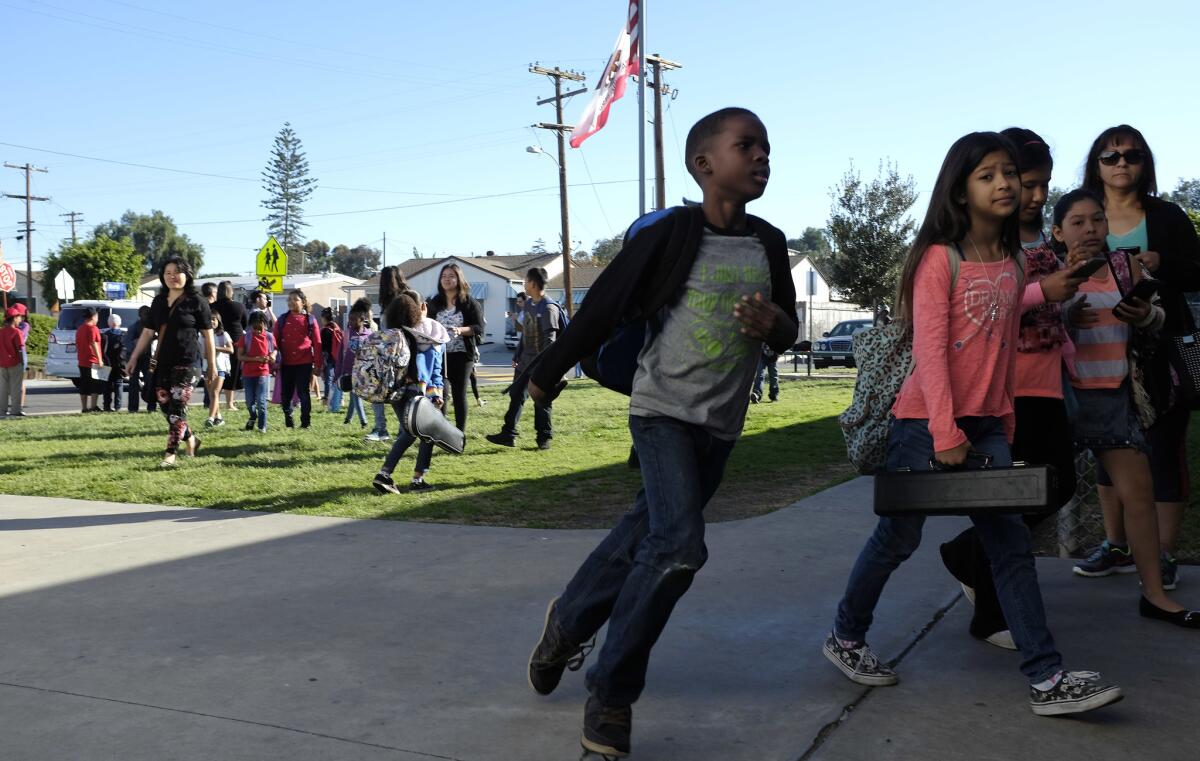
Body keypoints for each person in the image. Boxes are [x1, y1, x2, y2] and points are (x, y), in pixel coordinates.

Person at [524, 108, 799, 757]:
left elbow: (788, 330)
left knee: (644, 535)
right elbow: (606, 302)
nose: (762, 156)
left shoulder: (770, 241)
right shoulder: (674, 234)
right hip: (662, 412)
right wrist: (548, 369)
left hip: (721, 426)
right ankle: (612, 695)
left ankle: (566, 622)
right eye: (746, 145)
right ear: (704, 164)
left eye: (767, 147)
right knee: (678, 545)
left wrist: (773, 324)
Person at [824, 133, 1122, 717]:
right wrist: (945, 432)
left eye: (1009, 172)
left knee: (1010, 544)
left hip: (988, 423)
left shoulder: (1012, 261)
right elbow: (931, 354)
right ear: (960, 190)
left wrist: (1004, 419)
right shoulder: (940, 259)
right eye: (988, 175)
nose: (1006, 184)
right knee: (898, 538)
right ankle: (846, 637)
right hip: (924, 423)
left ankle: (1047, 678)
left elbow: (1004, 342)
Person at [938, 128, 1088, 648]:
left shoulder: (1042, 240)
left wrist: (1066, 307)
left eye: (1044, 184)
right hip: (1005, 386)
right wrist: (1041, 291)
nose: (1037, 196)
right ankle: (992, 613)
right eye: (1027, 183)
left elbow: (1044, 306)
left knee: (1056, 484)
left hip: (1048, 381)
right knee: (1012, 498)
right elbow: (975, 311)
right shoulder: (979, 244)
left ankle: (966, 554)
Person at [1054, 189, 1199, 627]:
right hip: (1064, 397)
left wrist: (1143, 316)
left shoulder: (1126, 265)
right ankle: (980, 567)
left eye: (1097, 220)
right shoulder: (1051, 271)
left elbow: (1157, 320)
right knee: (1038, 496)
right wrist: (1064, 313)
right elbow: (1033, 324)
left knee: (1139, 493)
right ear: (1058, 231)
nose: (1091, 229)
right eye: (1077, 222)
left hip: (1117, 394)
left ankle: (1154, 595)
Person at [125, 256, 217, 467]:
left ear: (188, 274)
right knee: (166, 408)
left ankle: (170, 454)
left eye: (177, 272)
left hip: (188, 363)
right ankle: (192, 439)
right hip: (163, 363)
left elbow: (208, 336)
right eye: (168, 273)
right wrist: (133, 357)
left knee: (176, 409)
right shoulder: (158, 302)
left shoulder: (197, 301)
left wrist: (210, 365)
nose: (172, 276)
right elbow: (148, 333)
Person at [486, 268, 563, 450]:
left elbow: (550, 340)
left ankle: (544, 438)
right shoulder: (529, 305)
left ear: (533, 284)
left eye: (525, 282)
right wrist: (517, 354)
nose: (524, 285)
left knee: (541, 401)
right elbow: (526, 333)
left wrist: (542, 366)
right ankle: (508, 434)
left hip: (540, 366)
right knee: (516, 396)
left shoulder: (548, 308)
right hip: (524, 363)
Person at [371, 293, 438, 494]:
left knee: (413, 432)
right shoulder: (416, 335)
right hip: (413, 390)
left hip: (393, 392)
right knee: (419, 432)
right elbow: (426, 363)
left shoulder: (389, 334)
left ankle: (390, 475)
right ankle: (408, 478)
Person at [427, 263, 485, 432]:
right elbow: (427, 325)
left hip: (462, 355)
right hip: (440, 356)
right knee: (440, 395)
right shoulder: (434, 302)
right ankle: (442, 433)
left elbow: (479, 327)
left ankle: (459, 435)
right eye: (444, 276)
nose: (447, 279)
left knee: (459, 396)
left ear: (459, 279)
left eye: (451, 276)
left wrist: (461, 330)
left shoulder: (469, 302)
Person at [272, 289, 322, 429]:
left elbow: (317, 343)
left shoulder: (310, 320)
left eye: (295, 299)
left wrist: (317, 364)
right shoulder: (281, 320)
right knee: (285, 395)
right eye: (289, 299)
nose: (291, 302)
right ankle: (288, 417)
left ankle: (305, 422)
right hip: (286, 364)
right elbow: (274, 342)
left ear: (303, 302)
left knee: (303, 393)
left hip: (304, 363)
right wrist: (274, 361)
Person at [238, 310, 276, 433]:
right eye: (255, 325)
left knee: (261, 401)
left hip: (263, 373)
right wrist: (256, 359)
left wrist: (273, 356)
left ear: (265, 324)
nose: (258, 328)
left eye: (261, 324)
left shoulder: (269, 336)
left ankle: (262, 426)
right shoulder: (246, 337)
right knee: (249, 402)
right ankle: (253, 416)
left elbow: (274, 350)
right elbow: (240, 356)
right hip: (248, 374)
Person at [213, 280, 247, 413]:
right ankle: (229, 403)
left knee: (216, 370)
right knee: (232, 372)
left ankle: (213, 399)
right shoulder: (238, 306)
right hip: (235, 340)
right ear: (230, 291)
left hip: (216, 339)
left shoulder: (213, 307)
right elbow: (245, 323)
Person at [339, 298, 373, 429]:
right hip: (350, 371)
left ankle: (362, 421)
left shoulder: (369, 335)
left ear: (362, 319)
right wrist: (340, 372)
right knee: (355, 395)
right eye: (350, 319)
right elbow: (342, 354)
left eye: (353, 319)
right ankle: (351, 419)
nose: (350, 321)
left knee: (356, 396)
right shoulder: (347, 334)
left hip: (363, 371)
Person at [124, 305, 157, 414]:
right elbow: (128, 343)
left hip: (149, 358)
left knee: (151, 382)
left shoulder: (153, 326)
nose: (147, 316)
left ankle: (151, 407)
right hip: (135, 358)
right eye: (145, 314)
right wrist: (137, 344)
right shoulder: (133, 327)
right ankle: (133, 408)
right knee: (133, 383)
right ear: (140, 315)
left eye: (149, 314)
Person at [203, 313, 232, 427]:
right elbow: (203, 354)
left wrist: (216, 349)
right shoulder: (203, 336)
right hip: (207, 367)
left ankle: (210, 418)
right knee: (212, 394)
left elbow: (231, 349)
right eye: (209, 319)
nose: (212, 322)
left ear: (218, 321)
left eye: (214, 319)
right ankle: (218, 417)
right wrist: (209, 352)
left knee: (215, 392)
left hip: (220, 367)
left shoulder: (223, 334)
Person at [74, 307, 104, 413]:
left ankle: (84, 407)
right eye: (97, 316)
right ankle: (93, 406)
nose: (98, 318)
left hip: (82, 361)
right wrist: (100, 359)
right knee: (95, 384)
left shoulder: (80, 328)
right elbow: (93, 343)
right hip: (92, 360)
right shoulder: (93, 328)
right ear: (93, 316)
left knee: (84, 384)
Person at [0, 307, 25, 417]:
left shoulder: (1, 332)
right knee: (16, 388)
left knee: (2, 388)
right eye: (19, 317)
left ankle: (1, 410)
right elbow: (20, 349)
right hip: (14, 363)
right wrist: (22, 362)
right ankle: (15, 410)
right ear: (14, 318)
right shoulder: (17, 332)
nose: (20, 319)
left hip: (1, 364)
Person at [319, 307, 344, 413]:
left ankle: (327, 400)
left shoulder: (325, 330)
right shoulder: (336, 328)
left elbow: (322, 347)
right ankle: (340, 399)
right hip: (338, 357)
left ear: (324, 318)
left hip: (328, 358)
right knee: (337, 379)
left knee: (328, 380)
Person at [102, 313, 127, 412]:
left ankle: (106, 406)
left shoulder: (104, 336)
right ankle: (118, 406)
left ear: (109, 323)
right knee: (119, 384)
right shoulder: (124, 335)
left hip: (106, 363)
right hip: (119, 364)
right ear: (120, 323)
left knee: (106, 385)